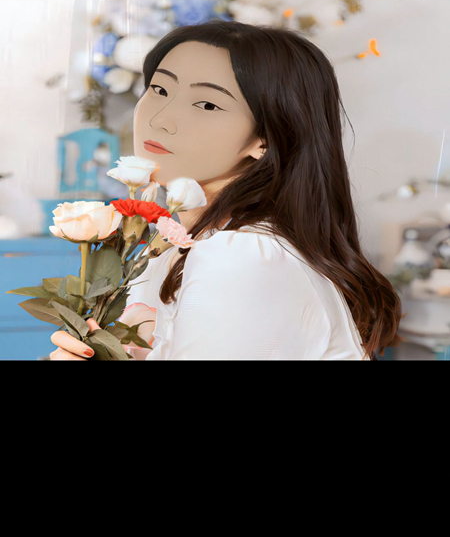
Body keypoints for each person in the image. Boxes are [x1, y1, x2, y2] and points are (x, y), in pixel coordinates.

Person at [50, 19, 403, 361]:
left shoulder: (243, 257)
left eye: (206, 104)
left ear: (265, 139)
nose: (160, 119)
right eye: (160, 89)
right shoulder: (179, 247)